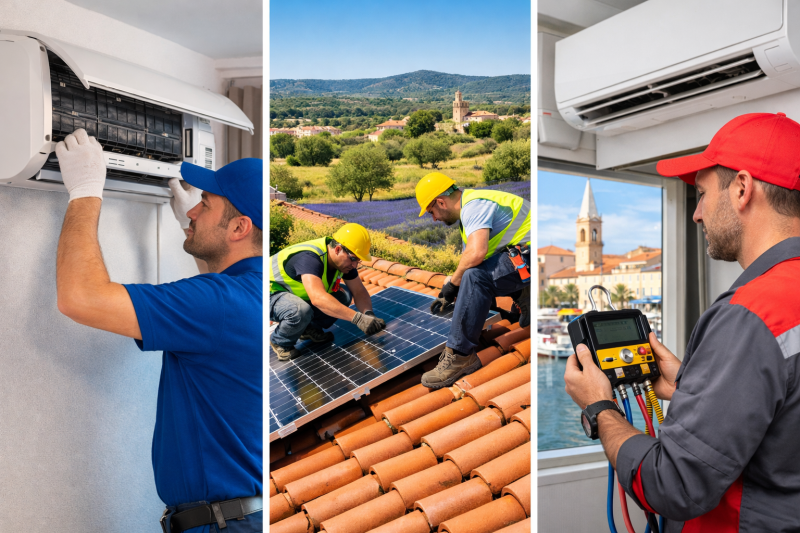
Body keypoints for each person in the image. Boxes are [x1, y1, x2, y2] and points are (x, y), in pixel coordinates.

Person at [564, 112, 800, 531]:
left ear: (742, 189)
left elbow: (671, 484)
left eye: (703, 194)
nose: (696, 214)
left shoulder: (752, 314)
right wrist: (695, 385)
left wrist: (599, 408)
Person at [54, 128, 263, 533]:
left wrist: (84, 191)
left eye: (205, 203)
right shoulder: (252, 296)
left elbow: (79, 297)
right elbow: (223, 310)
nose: (192, 212)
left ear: (238, 228)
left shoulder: (218, 303)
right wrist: (202, 230)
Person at [414, 172, 530, 389]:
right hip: (526, 257)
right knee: (471, 274)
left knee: (476, 278)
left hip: (535, 256)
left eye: (432, 212)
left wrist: (455, 283)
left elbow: (476, 256)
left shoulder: (474, 206)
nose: (434, 219)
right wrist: (452, 284)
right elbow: (471, 259)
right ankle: (525, 294)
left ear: (441, 201)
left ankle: (460, 355)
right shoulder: (470, 207)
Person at [269, 223, 386, 361]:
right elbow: (317, 298)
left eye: (358, 261)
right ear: (337, 249)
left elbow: (358, 291)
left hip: (291, 295)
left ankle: (307, 329)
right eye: (353, 259)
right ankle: (280, 341)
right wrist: (358, 319)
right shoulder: (310, 259)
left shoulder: (344, 262)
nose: (354, 265)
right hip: (264, 294)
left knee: (344, 295)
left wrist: (369, 314)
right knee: (300, 309)